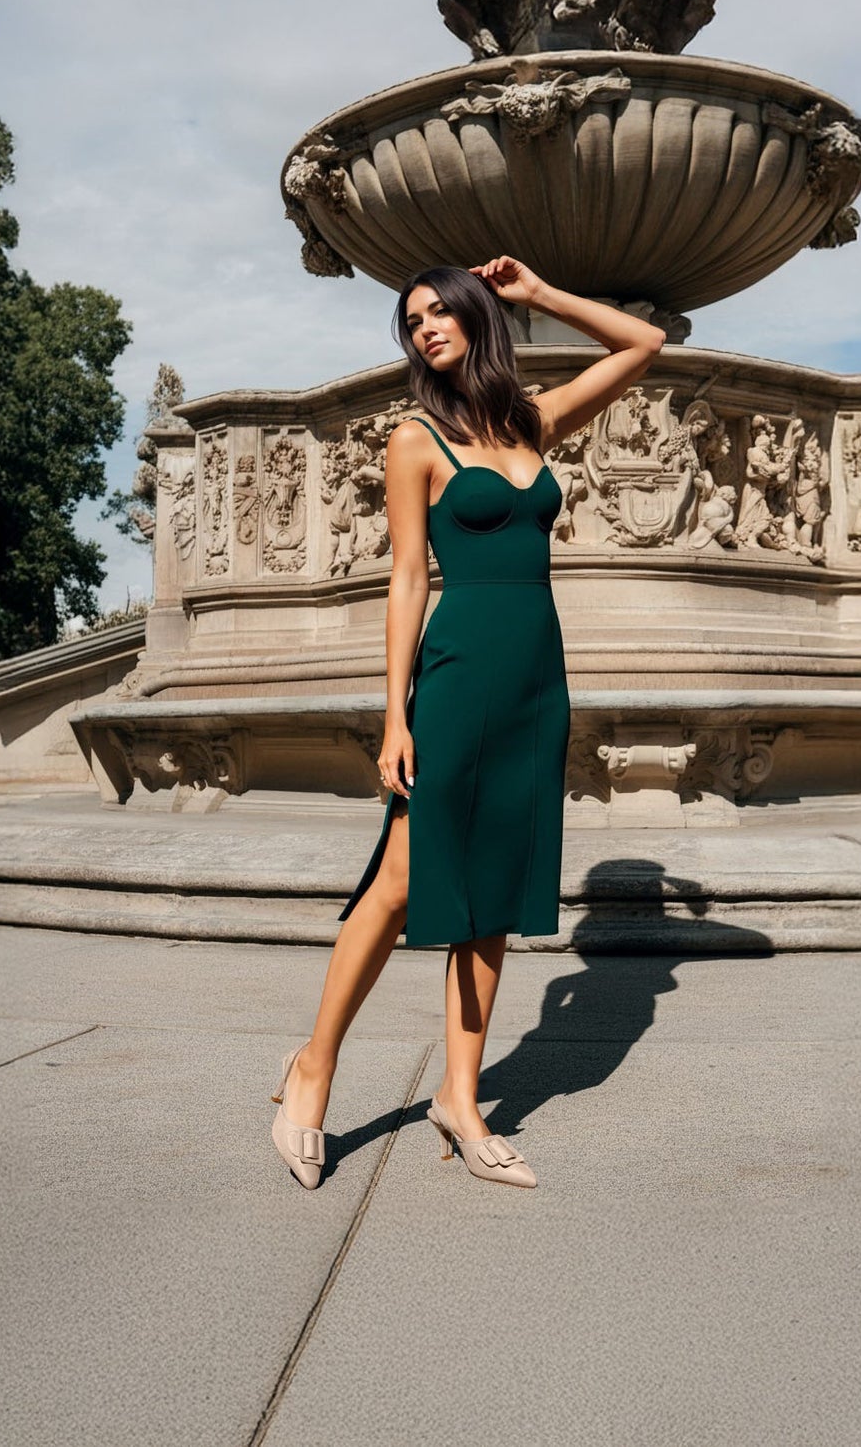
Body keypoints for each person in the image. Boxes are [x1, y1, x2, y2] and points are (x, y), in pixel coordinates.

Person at [271, 255, 665, 1190]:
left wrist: (537, 296)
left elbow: (645, 341)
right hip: (453, 675)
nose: (426, 329)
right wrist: (392, 718)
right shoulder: (413, 438)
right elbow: (407, 581)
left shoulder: (534, 422)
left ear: (476, 314)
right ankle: (312, 1069)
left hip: (535, 675)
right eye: (411, 322)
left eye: (440, 312)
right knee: (404, 880)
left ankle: (460, 1096)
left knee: (495, 889)